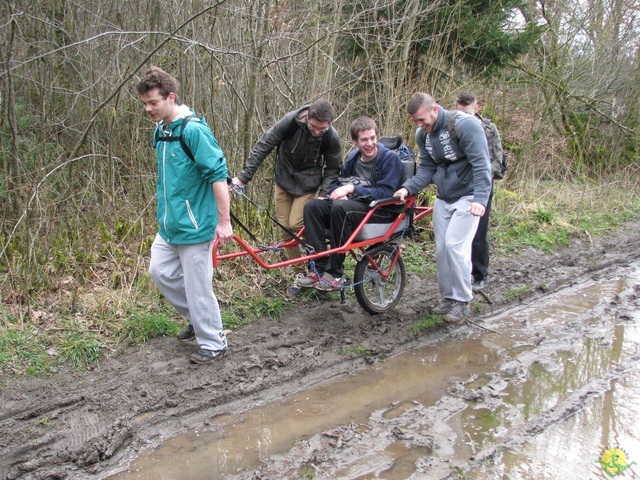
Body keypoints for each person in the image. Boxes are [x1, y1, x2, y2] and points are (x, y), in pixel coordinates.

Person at [137, 66, 232, 364]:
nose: (148, 109)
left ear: (171, 97)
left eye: (153, 102)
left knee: (198, 286)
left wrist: (224, 221)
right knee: (160, 272)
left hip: (195, 225)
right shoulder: (161, 131)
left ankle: (214, 343)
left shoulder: (193, 131)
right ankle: (198, 317)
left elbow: (218, 175)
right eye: (144, 104)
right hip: (169, 224)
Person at [394, 92, 491, 323]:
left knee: (455, 246)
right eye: (415, 122)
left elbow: (481, 163)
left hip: (469, 196)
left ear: (435, 110)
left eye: (422, 120)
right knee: (442, 250)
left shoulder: (465, 125)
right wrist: (407, 188)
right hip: (444, 196)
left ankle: (462, 301)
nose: (419, 125)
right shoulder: (423, 135)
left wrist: (480, 199)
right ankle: (448, 297)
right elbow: (427, 169)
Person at [230, 100, 343, 279]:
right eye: (313, 126)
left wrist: (323, 195)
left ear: (328, 124)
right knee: (286, 230)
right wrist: (244, 178)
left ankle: (320, 260)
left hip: (308, 184)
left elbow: (333, 169)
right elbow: (264, 145)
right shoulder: (291, 122)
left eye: (321, 129)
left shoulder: (331, 137)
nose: (316, 132)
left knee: (296, 225)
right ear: (307, 117)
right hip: (283, 179)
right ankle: (299, 273)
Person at [298, 116, 403, 290]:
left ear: (377, 136)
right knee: (313, 206)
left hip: (381, 210)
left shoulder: (389, 159)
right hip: (354, 207)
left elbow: (386, 192)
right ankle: (317, 269)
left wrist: (352, 190)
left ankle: (335, 273)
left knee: (341, 208)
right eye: (364, 140)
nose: (369, 143)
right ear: (355, 141)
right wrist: (335, 193)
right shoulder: (353, 158)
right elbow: (338, 183)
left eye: (372, 138)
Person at [455, 91, 504, 291]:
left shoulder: (488, 130)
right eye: (460, 112)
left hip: (482, 187)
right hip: (459, 187)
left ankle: (480, 274)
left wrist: (480, 177)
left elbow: (496, 162)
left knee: (479, 232)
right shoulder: (454, 128)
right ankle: (461, 273)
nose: (464, 117)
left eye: (467, 112)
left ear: (477, 108)